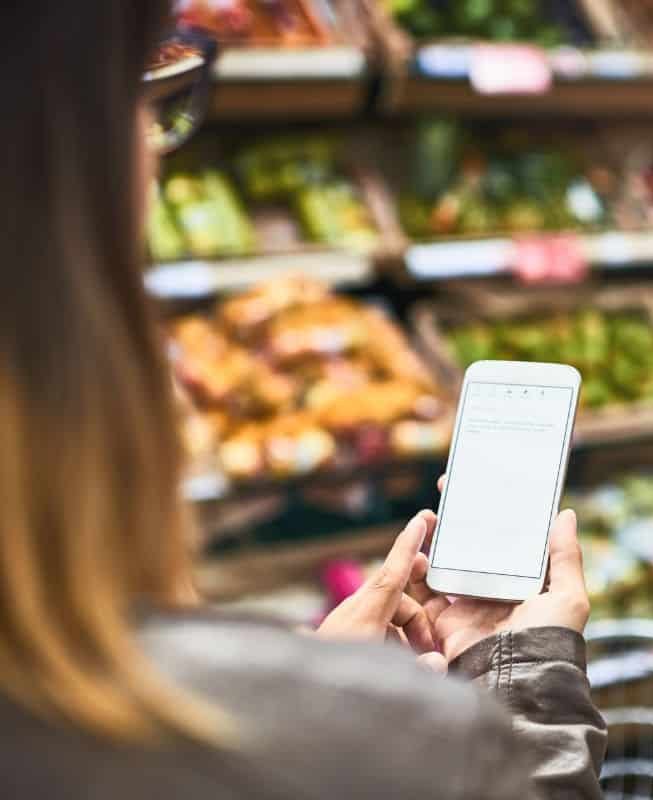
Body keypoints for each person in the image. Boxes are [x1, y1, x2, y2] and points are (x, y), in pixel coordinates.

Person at [0, 2, 605, 798]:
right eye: (142, 100)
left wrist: (318, 682)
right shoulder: (330, 740)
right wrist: (522, 686)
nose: (157, 162)